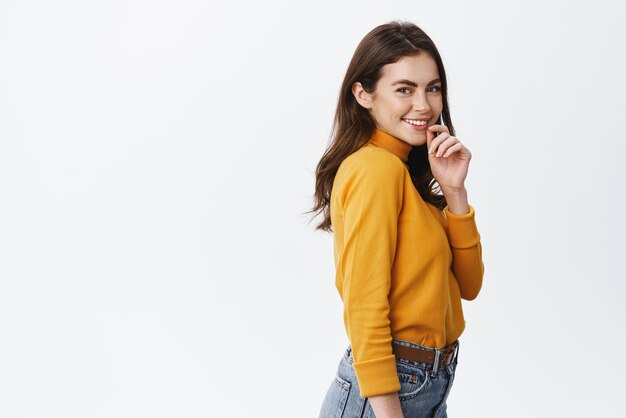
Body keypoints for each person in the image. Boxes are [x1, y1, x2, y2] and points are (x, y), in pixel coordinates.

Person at [308, 20, 485, 418]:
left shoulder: (405, 174)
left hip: (428, 383)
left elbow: (470, 285)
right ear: (363, 94)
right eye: (404, 89)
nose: (423, 105)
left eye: (432, 88)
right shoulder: (374, 170)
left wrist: (455, 193)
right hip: (389, 391)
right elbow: (363, 306)